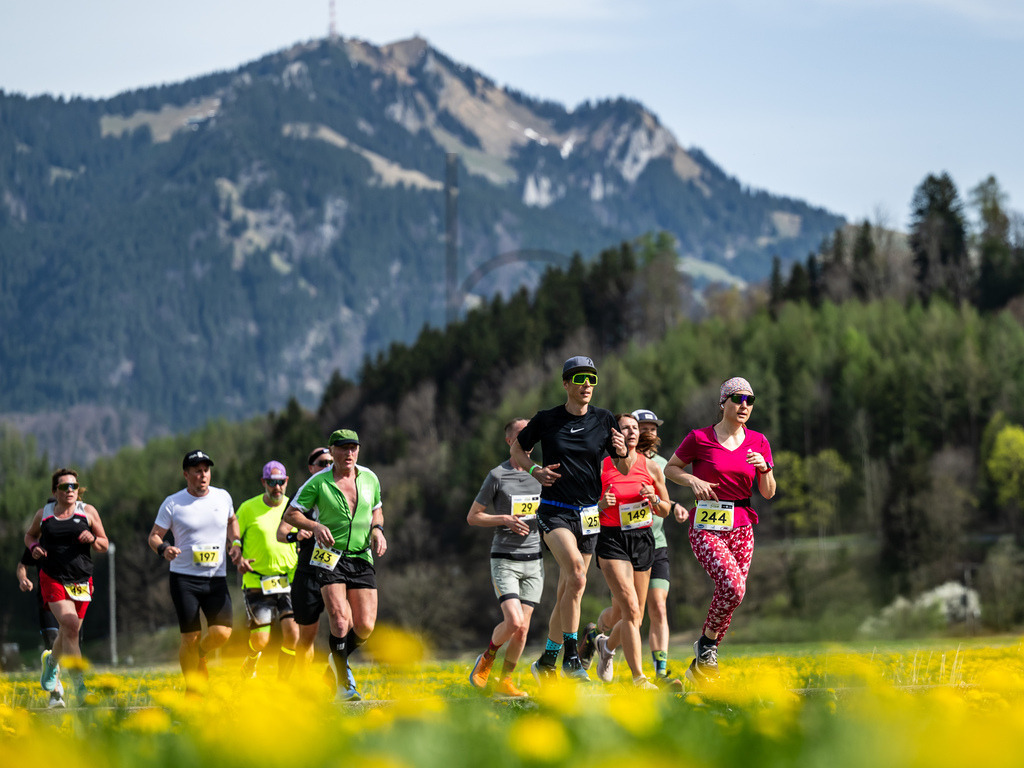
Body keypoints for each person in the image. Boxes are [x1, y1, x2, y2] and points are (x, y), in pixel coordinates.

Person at [510, 355, 626, 683]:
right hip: (554, 510)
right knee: (576, 574)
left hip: (589, 514)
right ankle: (572, 659)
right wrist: (535, 470)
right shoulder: (547, 419)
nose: (587, 384)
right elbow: (517, 450)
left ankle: (547, 661)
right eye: (579, 378)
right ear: (566, 384)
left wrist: (623, 450)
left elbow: (625, 468)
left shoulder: (604, 420)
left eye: (592, 378)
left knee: (568, 589)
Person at [664, 377, 776, 684]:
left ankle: (701, 662)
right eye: (737, 399)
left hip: (742, 525)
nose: (743, 406)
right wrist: (692, 481)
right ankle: (707, 646)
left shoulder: (759, 441)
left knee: (733, 594)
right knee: (733, 586)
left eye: (749, 401)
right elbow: (670, 469)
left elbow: (767, 492)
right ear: (722, 402)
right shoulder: (700, 438)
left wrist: (764, 468)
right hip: (707, 525)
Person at [585, 409, 689, 686]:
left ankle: (605, 648)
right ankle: (639, 678)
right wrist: (599, 506)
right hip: (612, 540)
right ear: (614, 434)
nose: (632, 431)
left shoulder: (653, 467)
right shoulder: (600, 466)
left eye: (634, 427)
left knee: (636, 615)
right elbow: (583, 512)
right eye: (625, 428)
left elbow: (665, 509)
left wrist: (654, 499)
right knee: (630, 608)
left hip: (643, 540)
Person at [282, 429, 387, 702]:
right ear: (332, 451)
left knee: (364, 625)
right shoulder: (318, 482)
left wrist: (377, 529)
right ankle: (343, 686)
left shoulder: (370, 478)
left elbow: (377, 507)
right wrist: (315, 526)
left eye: (353, 448)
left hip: (361, 556)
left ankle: (335, 659)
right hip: (329, 557)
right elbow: (291, 514)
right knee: (340, 621)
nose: (348, 453)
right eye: (342, 448)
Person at [148, 449, 241, 690]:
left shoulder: (223, 497)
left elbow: (232, 521)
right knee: (189, 637)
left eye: (206, 470)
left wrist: (236, 543)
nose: (203, 475)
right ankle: (193, 690)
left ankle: (201, 653)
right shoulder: (173, 503)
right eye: (197, 471)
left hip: (216, 577)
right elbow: (154, 536)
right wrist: (164, 549)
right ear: (186, 474)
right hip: (184, 579)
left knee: (222, 633)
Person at [467, 418, 543, 698]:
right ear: (510, 441)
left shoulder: (541, 475)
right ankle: (486, 658)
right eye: (522, 434)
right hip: (506, 558)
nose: (528, 438)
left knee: (523, 631)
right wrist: (504, 519)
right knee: (514, 622)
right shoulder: (497, 476)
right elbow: (473, 517)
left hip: (534, 561)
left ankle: (505, 681)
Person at [24, 469, 109, 705]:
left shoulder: (88, 512)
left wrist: (92, 539)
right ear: (55, 491)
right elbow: (29, 536)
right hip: (52, 577)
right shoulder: (44, 514)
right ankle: (81, 687)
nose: (70, 490)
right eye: (64, 487)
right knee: (70, 624)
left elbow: (104, 543)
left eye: (73, 486)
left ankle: (51, 662)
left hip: (82, 580)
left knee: (68, 632)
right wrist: (33, 548)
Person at [236, 461, 300, 680]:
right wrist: (237, 555)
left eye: (281, 482)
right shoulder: (247, 508)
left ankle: (283, 681)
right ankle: (251, 660)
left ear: (286, 482)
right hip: (256, 580)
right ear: (264, 482)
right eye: (272, 482)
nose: (277, 487)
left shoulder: (295, 507)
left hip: (287, 581)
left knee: (293, 634)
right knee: (261, 640)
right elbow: (233, 537)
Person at [276, 446, 331, 678]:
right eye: (321, 463)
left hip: (337, 570)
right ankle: (303, 684)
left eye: (330, 462)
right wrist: (295, 536)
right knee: (306, 637)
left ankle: (335, 671)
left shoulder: (344, 492)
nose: (327, 466)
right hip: (309, 571)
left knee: (347, 624)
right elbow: (281, 533)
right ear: (311, 468)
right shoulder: (305, 495)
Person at [17, 544, 66, 707]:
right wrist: (22, 578)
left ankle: (78, 688)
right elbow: (22, 565)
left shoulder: (73, 531)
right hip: (47, 599)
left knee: (72, 642)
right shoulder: (38, 540)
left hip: (71, 597)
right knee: (52, 642)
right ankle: (55, 694)